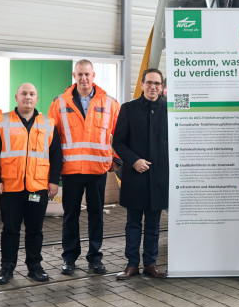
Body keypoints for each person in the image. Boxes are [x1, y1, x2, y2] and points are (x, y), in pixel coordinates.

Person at [0, 83, 61, 285]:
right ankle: (7, 267)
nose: (28, 97)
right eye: (24, 93)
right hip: (10, 187)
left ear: (37, 99)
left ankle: (35, 266)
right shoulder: (2, 121)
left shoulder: (48, 123)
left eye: (32, 94)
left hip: (38, 187)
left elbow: (56, 155)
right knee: (10, 230)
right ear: (16, 97)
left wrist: (54, 181)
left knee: (35, 230)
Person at [49, 60, 121, 276]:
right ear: (74, 76)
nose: (83, 78)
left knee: (96, 215)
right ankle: (69, 258)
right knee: (70, 216)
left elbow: (121, 134)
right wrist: (54, 170)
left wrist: (116, 160)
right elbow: (52, 139)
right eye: (79, 74)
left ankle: (95, 258)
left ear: (93, 75)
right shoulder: (59, 103)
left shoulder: (109, 103)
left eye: (87, 74)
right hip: (70, 171)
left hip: (97, 170)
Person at [112, 69, 169, 280]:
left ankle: (151, 264)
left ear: (161, 86)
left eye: (157, 83)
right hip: (135, 176)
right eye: (149, 82)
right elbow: (118, 142)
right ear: (142, 84)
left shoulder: (169, 110)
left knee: (154, 224)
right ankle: (132, 264)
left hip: (159, 177)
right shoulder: (128, 109)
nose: (153, 87)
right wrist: (134, 160)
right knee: (133, 223)